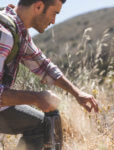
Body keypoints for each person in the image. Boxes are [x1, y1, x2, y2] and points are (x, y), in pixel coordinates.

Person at [0, 0, 99, 149]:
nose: (53, 21)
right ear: (38, 6)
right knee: (42, 125)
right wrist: (37, 98)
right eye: (54, 13)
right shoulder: (4, 34)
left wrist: (77, 93)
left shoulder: (18, 31)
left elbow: (44, 66)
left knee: (43, 124)